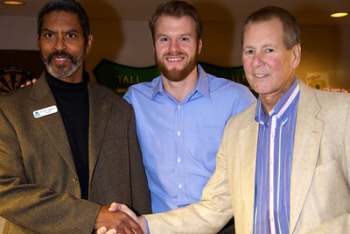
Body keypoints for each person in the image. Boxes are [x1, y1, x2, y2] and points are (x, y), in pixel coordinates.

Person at [104, 6, 350, 234]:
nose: (257, 62)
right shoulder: (237, 128)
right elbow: (214, 208)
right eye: (250, 51)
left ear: (295, 56)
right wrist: (141, 223)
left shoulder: (341, 113)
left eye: (269, 50)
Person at [0, 0, 151, 233]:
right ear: (39, 40)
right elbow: (5, 190)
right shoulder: (9, 110)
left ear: (87, 42)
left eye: (70, 36)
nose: (59, 46)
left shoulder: (119, 109)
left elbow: (138, 190)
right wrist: (92, 216)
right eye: (50, 35)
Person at [123, 0, 255, 218]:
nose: (174, 48)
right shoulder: (134, 101)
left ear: (199, 45)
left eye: (184, 39)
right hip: (157, 228)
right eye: (165, 39)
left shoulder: (237, 100)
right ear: (154, 45)